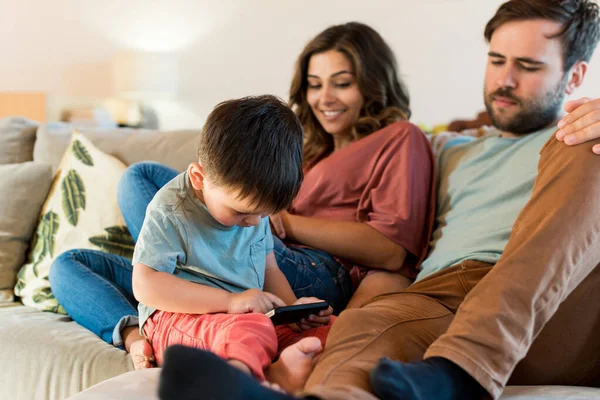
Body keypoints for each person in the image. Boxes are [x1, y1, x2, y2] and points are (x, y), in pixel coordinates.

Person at [155, 1, 600, 399]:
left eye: (527, 65)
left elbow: (388, 243)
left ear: (574, 74)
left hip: (556, 310)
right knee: (359, 326)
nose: (505, 79)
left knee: (584, 141)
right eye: (497, 60)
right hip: (440, 299)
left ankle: (468, 366)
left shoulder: (582, 134)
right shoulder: (448, 147)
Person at [49, 22, 436, 367]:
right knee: (70, 264)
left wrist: (283, 222)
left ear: (373, 83)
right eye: (314, 85)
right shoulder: (304, 147)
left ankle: (190, 299)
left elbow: (390, 250)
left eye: (342, 82)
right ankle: (142, 332)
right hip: (254, 255)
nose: (324, 98)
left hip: (314, 266)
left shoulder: (399, 139)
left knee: (143, 181)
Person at [129, 95, 338, 392]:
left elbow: (270, 272)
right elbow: (145, 285)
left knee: (336, 329)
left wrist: (294, 311)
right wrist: (229, 302)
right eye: (241, 212)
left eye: (262, 214)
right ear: (199, 178)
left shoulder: (251, 207)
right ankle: (241, 385)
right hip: (178, 318)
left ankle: (285, 372)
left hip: (246, 318)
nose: (254, 223)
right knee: (249, 330)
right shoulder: (171, 209)